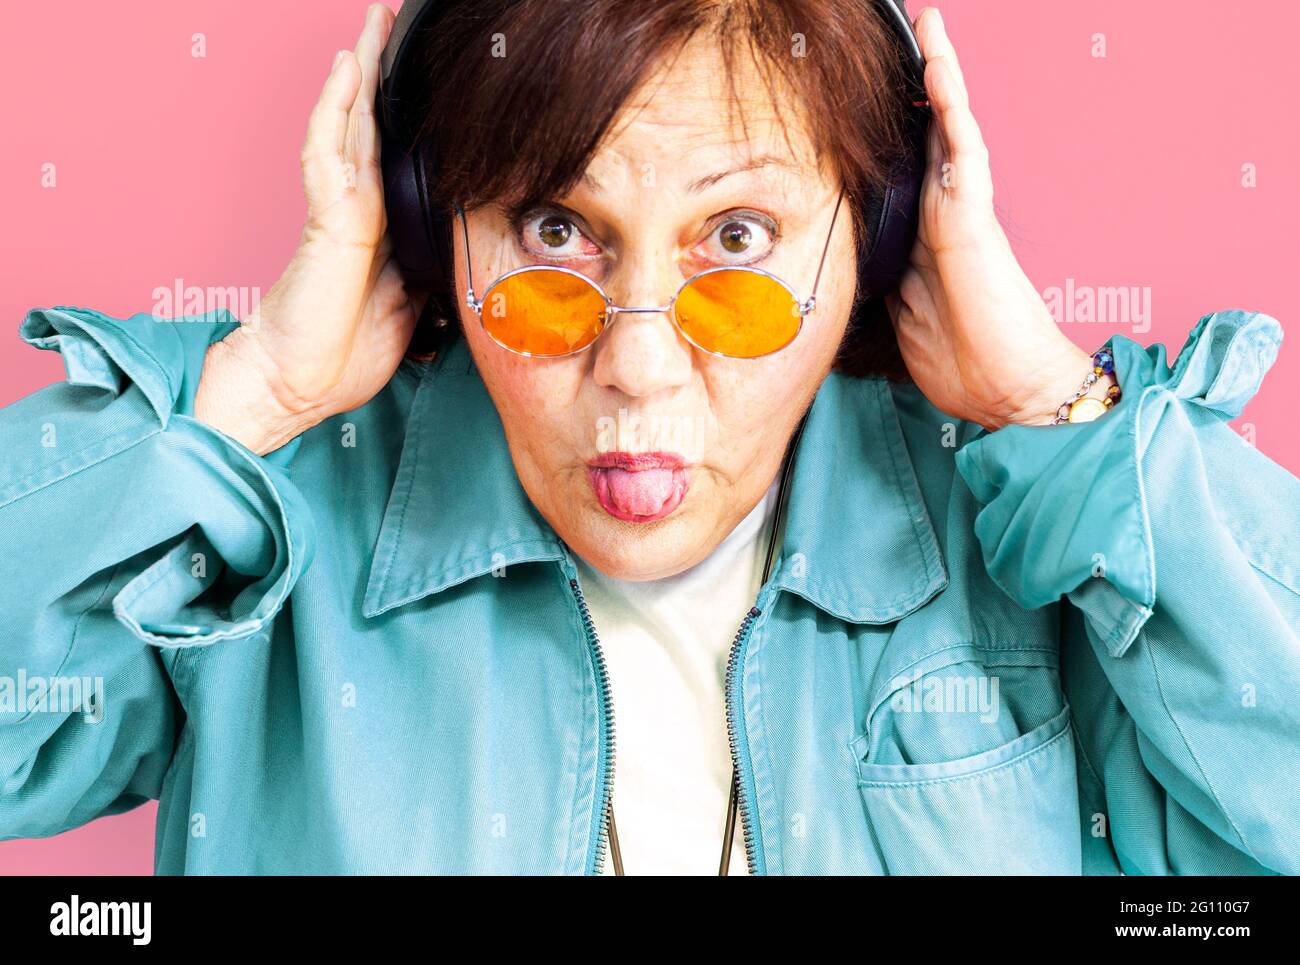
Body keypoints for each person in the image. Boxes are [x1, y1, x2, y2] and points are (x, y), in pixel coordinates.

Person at [1, 1, 1296, 875]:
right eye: (556, 234)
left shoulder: (1045, 547)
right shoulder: (245, 517)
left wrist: (1059, 421)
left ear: (880, 242)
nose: (636, 364)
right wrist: (254, 404)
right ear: (426, 229)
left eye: (736, 241)